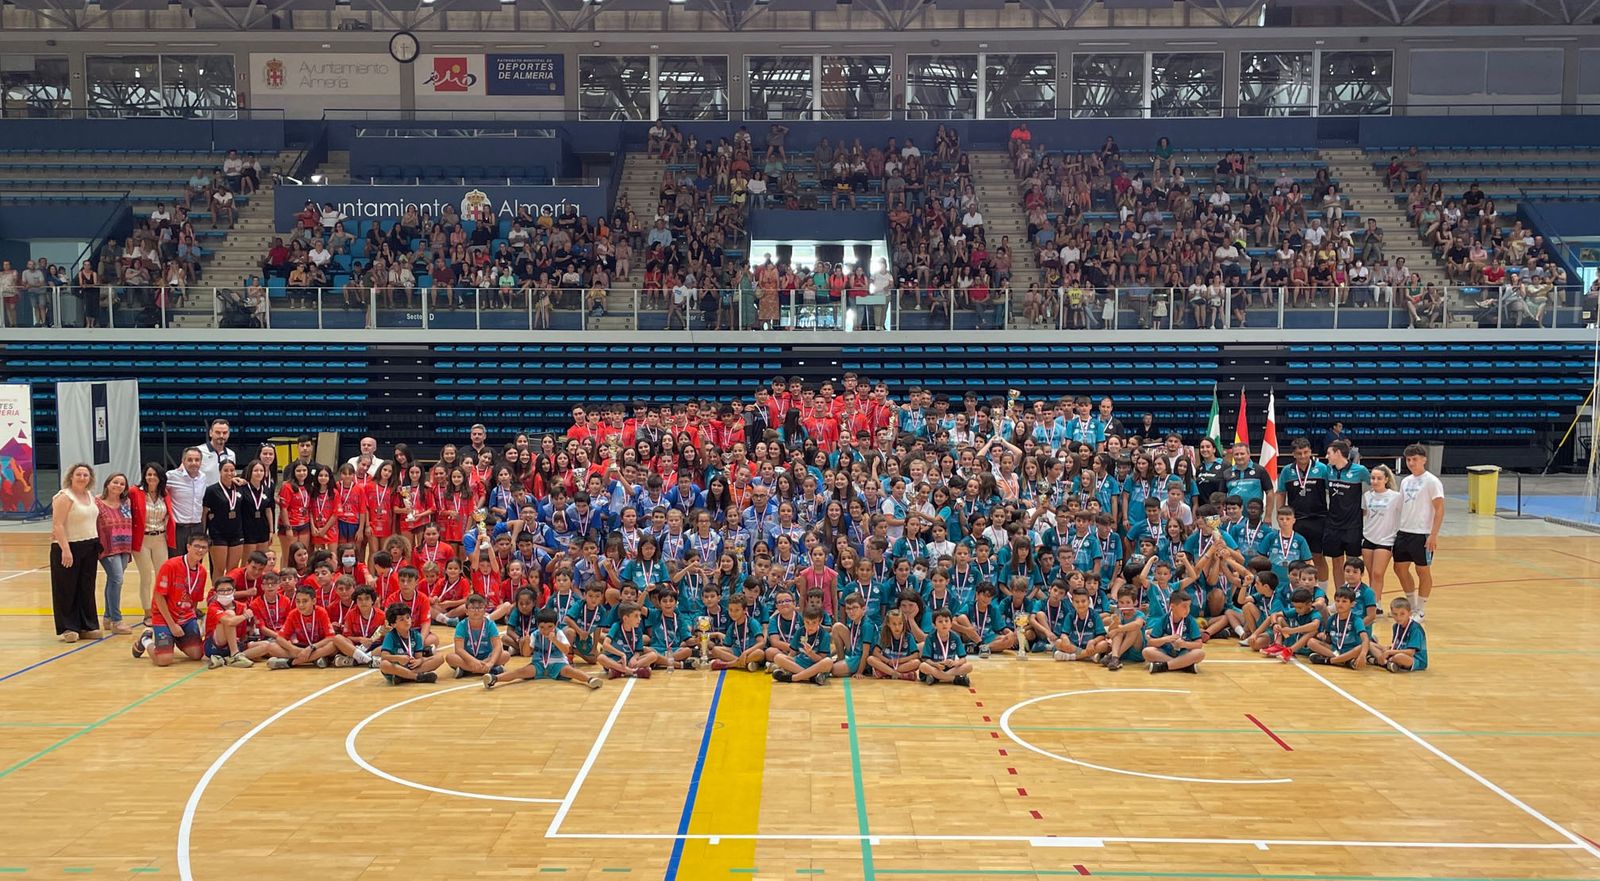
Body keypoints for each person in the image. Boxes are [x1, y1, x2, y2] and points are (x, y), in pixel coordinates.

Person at [132, 533, 210, 665]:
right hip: (164, 616)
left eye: (204, 547)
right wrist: (172, 625)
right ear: (188, 547)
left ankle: (175, 639)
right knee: (164, 660)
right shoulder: (170, 566)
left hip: (185, 617)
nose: (200, 550)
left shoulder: (202, 572)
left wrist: (192, 621)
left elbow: (195, 600)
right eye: (197, 546)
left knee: (197, 654)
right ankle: (146, 639)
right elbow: (158, 596)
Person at [484, 608, 604, 690]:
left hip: (558, 663)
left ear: (556, 625)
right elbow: (526, 654)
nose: (546, 630)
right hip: (539, 664)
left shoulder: (559, 633)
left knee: (571, 671)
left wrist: (555, 640)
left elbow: (567, 651)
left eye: (549, 627)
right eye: (542, 627)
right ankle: (494, 678)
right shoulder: (535, 634)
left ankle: (590, 679)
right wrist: (525, 642)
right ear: (538, 626)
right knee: (520, 672)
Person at [50, 463, 103, 642]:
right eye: (78, 474)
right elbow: (57, 525)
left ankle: (86, 625)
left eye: (85, 475)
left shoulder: (90, 495)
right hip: (68, 546)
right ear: (71, 477)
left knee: (86, 588)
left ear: (90, 478)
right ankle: (68, 627)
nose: (82, 478)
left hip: (89, 546)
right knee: (66, 588)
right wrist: (65, 549)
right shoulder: (64, 496)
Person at [1392, 443, 1444, 619]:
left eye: (1415, 459)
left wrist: (1433, 534)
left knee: (1423, 571)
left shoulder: (1432, 481)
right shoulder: (1406, 481)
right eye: (1408, 459)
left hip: (1422, 533)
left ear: (1424, 460)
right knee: (1399, 568)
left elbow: (1439, 509)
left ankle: (1420, 609)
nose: (1412, 463)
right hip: (1404, 531)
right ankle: (1412, 605)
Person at [94, 472, 136, 635]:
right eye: (115, 482)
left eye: (122, 484)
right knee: (117, 579)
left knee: (113, 581)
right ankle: (117, 621)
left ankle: (107, 617)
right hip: (107, 547)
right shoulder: (97, 502)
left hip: (124, 545)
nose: (118, 486)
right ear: (107, 484)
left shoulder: (126, 502)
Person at [129, 463, 169, 627]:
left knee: (162, 577)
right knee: (146, 576)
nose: (151, 477)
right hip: (142, 539)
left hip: (160, 539)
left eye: (154, 474)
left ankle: (160, 609)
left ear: (160, 477)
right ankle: (147, 612)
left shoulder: (165, 494)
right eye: (148, 474)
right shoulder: (135, 492)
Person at [1360, 464, 1403, 606]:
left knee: (1378, 573)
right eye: (1373, 478)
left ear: (1386, 479)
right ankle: (1373, 602)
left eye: (1379, 478)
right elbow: (1365, 515)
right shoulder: (1367, 496)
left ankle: (1375, 604)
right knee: (1371, 573)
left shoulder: (1396, 497)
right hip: (1368, 537)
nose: (1375, 481)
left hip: (1386, 539)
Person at [377, 602, 446, 684]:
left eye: (408, 617)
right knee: (384, 664)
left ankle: (404, 676)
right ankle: (416, 677)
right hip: (397, 666)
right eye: (402, 619)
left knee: (439, 658)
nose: (407, 621)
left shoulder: (417, 636)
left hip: (412, 667)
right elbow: (384, 656)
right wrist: (398, 658)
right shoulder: (390, 636)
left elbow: (419, 657)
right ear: (393, 624)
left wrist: (418, 661)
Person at [445, 594, 508, 679]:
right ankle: (489, 670)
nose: (476, 611)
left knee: (505, 655)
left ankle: (467, 670)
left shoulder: (490, 624)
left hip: (487, 657)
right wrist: (473, 661)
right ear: (466, 611)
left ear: (485, 611)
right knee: (450, 657)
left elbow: (497, 646)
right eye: (473, 608)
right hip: (468, 658)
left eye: (480, 608)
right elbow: (459, 649)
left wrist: (491, 662)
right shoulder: (461, 625)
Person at [1141, 589, 1204, 673]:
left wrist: (1184, 644)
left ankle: (1165, 666)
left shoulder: (1191, 620)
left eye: (1189, 606)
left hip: (1183, 653)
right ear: (1173, 606)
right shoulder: (1163, 619)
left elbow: (1199, 644)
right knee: (1147, 652)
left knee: (1200, 653)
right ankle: (1183, 665)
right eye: (1184, 606)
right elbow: (1151, 642)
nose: (1188, 609)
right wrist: (1166, 639)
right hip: (1165, 652)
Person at [1307, 586, 1370, 669]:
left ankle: (1329, 661)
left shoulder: (1356, 620)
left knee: (1361, 647)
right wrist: (1324, 637)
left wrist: (1363, 654)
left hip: (1351, 650)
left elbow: (1365, 639)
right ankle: (1344, 660)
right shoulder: (1331, 619)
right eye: (1337, 601)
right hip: (1335, 650)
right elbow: (1329, 639)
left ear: (1352, 604)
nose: (1340, 604)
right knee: (1311, 642)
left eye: (1344, 601)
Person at [1367, 596, 1427, 673]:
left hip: (1414, 659)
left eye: (1402, 614)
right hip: (1397, 652)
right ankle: (1388, 663)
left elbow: (1411, 652)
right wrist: (1388, 648)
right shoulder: (1396, 626)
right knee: (1369, 643)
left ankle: (1380, 661)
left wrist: (1389, 652)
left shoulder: (1415, 628)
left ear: (1410, 613)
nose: (1398, 617)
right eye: (1395, 614)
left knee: (1399, 657)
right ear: (1391, 614)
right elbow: (1397, 644)